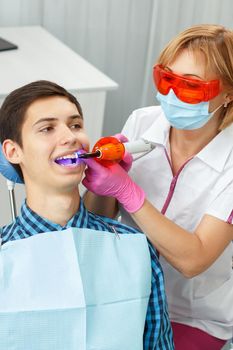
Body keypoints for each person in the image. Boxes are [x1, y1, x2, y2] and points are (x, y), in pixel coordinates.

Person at [83, 24, 233, 350]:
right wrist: (102, 183)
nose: (173, 95)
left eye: (191, 87)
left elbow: (195, 260)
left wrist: (129, 194)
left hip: (192, 315)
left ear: (228, 93)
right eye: (166, 79)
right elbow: (96, 221)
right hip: (125, 297)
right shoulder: (142, 122)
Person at [0, 80, 174, 350]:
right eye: (47, 128)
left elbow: (158, 344)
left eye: (76, 125)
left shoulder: (134, 248)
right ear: (13, 151)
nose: (70, 137)